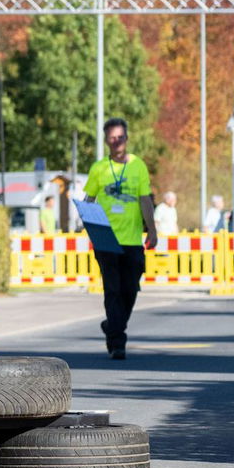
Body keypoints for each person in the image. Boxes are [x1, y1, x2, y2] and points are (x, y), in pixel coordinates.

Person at [83, 117, 158, 360]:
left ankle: (112, 326)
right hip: (106, 238)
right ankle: (117, 342)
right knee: (112, 289)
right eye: (112, 138)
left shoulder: (138, 166)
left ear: (127, 138)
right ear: (106, 140)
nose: (117, 142)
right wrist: (88, 222)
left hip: (132, 238)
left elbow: (145, 200)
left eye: (121, 137)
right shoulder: (98, 169)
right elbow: (89, 200)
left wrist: (152, 230)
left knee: (130, 288)